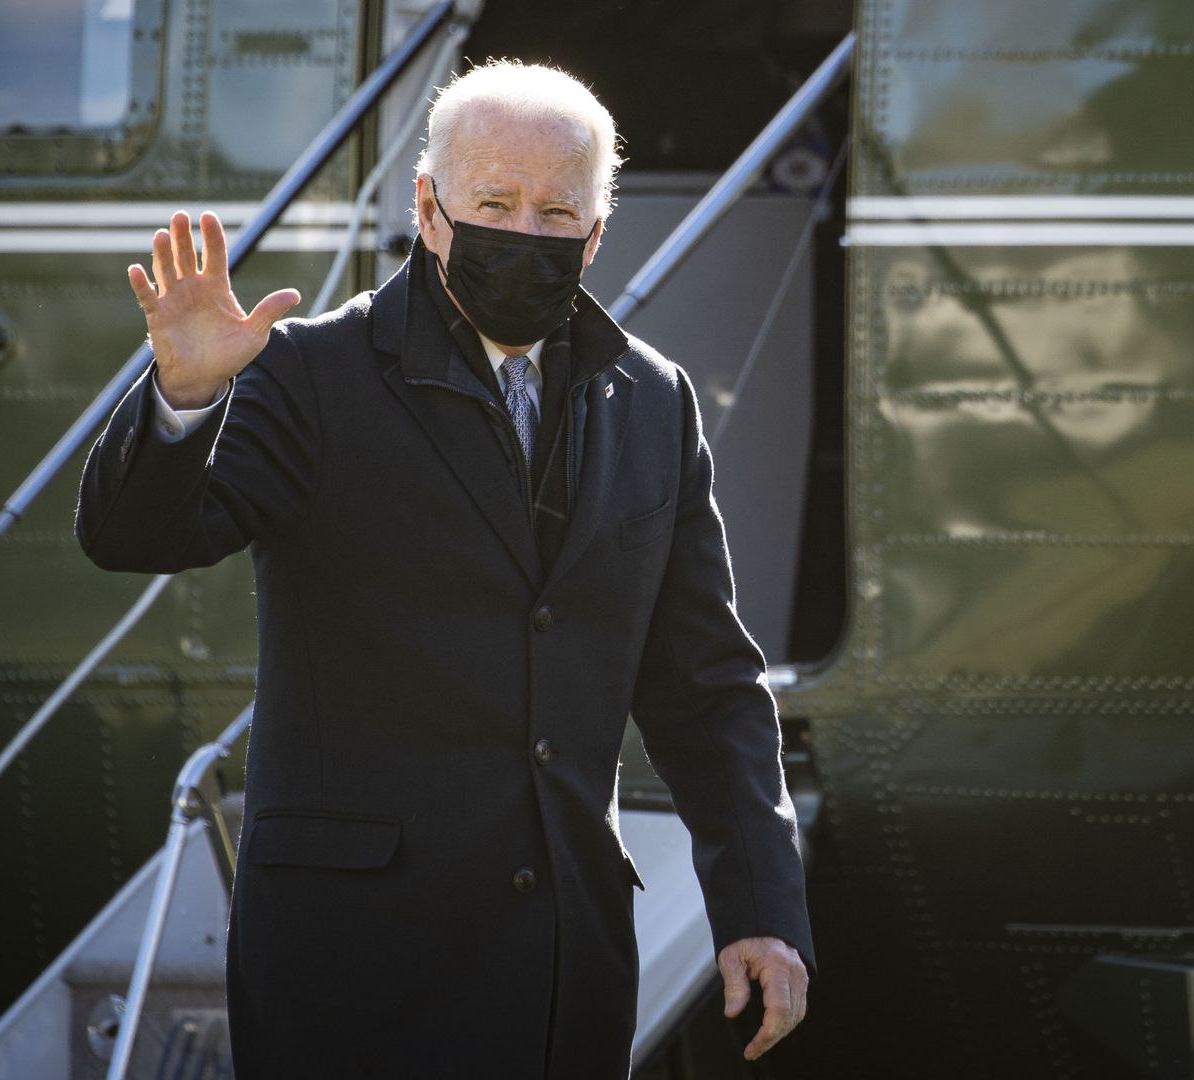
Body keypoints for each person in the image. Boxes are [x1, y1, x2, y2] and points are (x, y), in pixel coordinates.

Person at [75, 60, 813, 1077]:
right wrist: (183, 401)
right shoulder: (308, 373)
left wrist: (762, 910)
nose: (528, 233)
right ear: (429, 209)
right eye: (495, 203)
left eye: (560, 212)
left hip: (565, 972)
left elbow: (707, 686)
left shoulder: (654, 401)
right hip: (353, 973)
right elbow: (132, 537)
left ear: (599, 234)